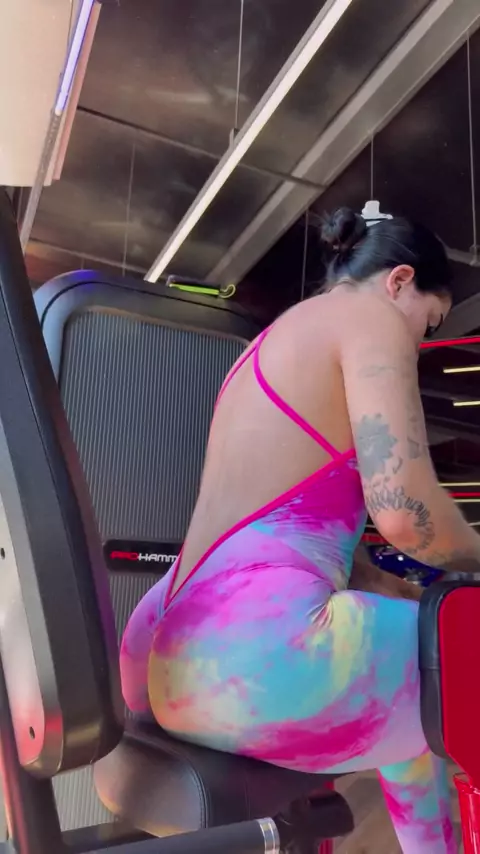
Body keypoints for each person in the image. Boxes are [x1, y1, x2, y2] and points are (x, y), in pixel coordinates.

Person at [121, 207, 480, 854]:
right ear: (399, 281)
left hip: (161, 653)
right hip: (248, 653)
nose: (420, 338)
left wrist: (408, 594)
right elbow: (405, 511)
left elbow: (295, 542)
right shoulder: (370, 317)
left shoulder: (265, 346)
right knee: (457, 658)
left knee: (410, 687)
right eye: (428, 321)